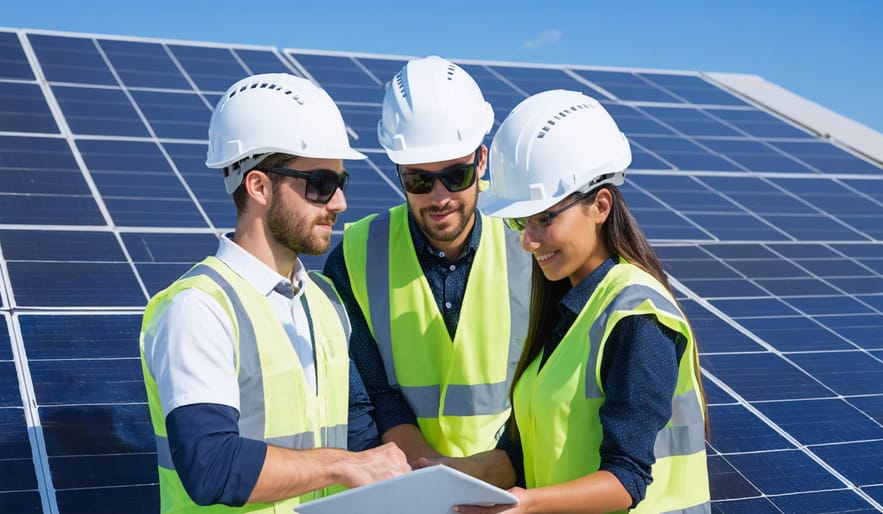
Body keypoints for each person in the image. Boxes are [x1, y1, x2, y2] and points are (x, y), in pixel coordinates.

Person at [423, 89, 710, 513]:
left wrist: (527, 504)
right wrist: (447, 475)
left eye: (545, 219)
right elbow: (526, 457)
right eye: (523, 222)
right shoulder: (569, 311)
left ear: (600, 205)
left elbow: (626, 479)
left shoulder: (637, 316)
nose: (528, 240)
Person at [139, 73, 409, 513]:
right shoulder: (199, 308)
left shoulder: (324, 300)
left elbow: (359, 437)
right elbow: (211, 467)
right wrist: (341, 466)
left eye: (342, 183)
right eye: (321, 184)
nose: (339, 203)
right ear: (259, 186)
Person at [322, 56, 532, 461]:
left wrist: (498, 470)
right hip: (413, 481)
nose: (439, 198)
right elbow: (369, 391)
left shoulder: (532, 240)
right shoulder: (355, 256)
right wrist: (429, 472)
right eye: (418, 179)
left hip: (520, 481)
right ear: (398, 171)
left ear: (482, 160)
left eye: (456, 176)